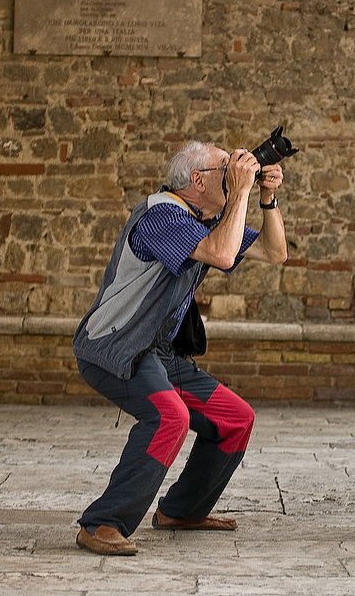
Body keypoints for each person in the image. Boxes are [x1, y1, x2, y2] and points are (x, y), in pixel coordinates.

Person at [73, 141, 288, 555]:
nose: (232, 173)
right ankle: (102, 522)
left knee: (235, 419)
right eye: (225, 168)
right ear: (197, 180)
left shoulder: (204, 220)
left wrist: (266, 196)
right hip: (116, 346)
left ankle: (182, 510)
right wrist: (240, 192)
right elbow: (223, 256)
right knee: (169, 416)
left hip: (160, 353)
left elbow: (275, 253)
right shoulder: (161, 215)